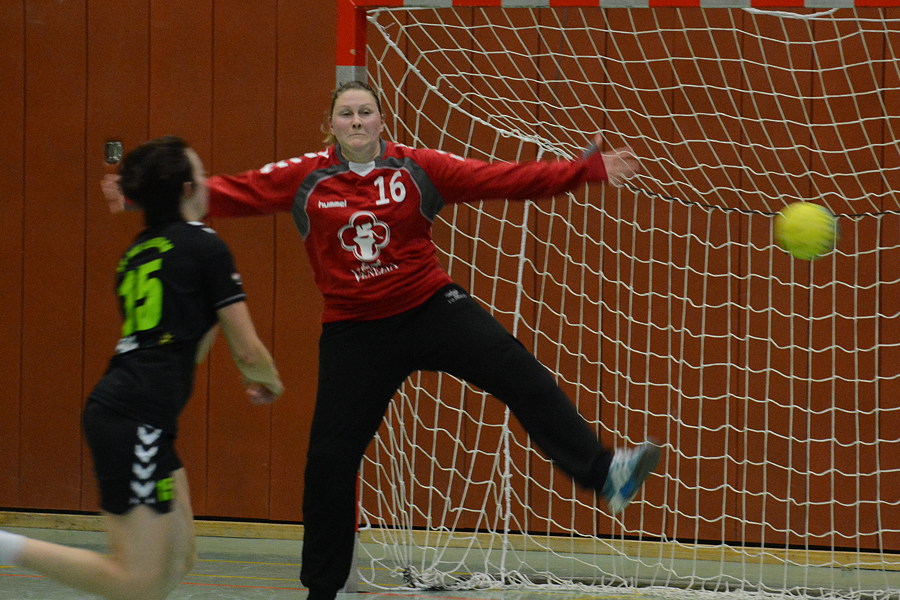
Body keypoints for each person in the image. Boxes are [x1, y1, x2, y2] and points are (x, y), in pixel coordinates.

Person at [103, 81, 661, 600]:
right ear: (330, 125)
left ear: (380, 121)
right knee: (329, 460)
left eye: (365, 111)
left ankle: (604, 473)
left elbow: (504, 179)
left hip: (430, 306)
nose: (356, 120)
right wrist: (138, 194)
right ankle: (322, 590)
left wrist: (583, 171)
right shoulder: (306, 177)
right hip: (355, 330)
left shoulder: (419, 167)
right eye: (346, 113)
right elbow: (229, 192)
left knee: (521, 374)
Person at [0, 136, 284, 600]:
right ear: (189, 189)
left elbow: (191, 343)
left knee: (178, 558)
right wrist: (270, 382)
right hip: (134, 417)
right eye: (201, 173)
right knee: (135, 580)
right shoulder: (205, 245)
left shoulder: (138, 251)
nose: (209, 181)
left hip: (138, 414)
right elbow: (248, 351)